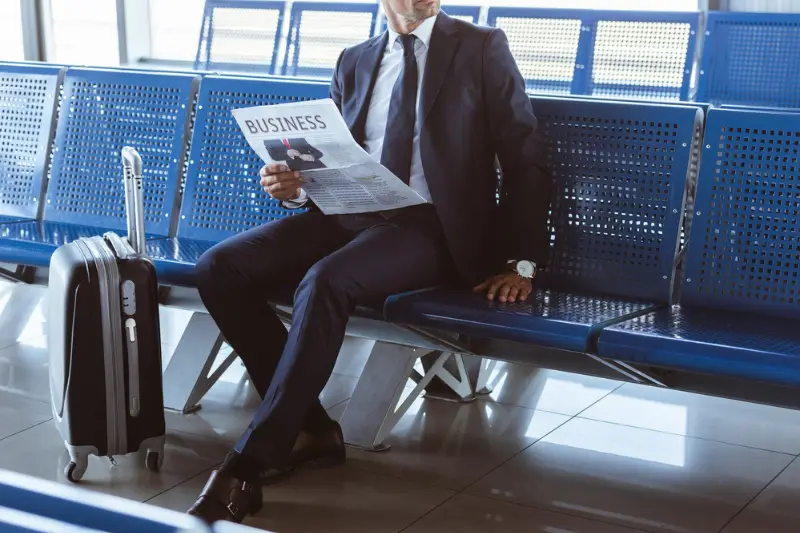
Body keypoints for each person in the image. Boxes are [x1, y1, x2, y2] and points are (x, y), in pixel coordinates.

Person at [187, 0, 551, 523]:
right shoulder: (354, 60)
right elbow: (328, 166)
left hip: (431, 228)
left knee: (327, 281)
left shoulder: (480, 48)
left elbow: (524, 157)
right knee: (219, 268)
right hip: (349, 213)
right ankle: (311, 428)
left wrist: (522, 264)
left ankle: (251, 460)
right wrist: (292, 188)